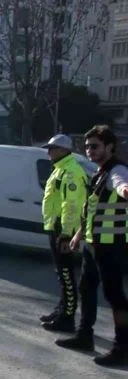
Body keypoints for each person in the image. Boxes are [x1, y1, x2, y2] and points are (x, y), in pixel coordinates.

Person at [62, 125, 128, 366]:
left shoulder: (116, 170)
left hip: (112, 246)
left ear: (109, 146)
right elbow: (93, 211)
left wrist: (125, 190)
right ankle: (84, 336)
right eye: (87, 146)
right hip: (94, 244)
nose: (89, 150)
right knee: (86, 288)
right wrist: (79, 236)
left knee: (115, 295)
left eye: (94, 146)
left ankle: (122, 347)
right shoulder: (99, 173)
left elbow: (122, 185)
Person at [38, 134, 88, 332]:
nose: (49, 152)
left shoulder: (71, 172)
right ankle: (61, 310)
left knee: (66, 274)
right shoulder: (60, 169)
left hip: (64, 228)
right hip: (56, 226)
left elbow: (72, 205)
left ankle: (67, 318)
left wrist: (66, 233)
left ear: (64, 150)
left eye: (52, 149)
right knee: (61, 273)